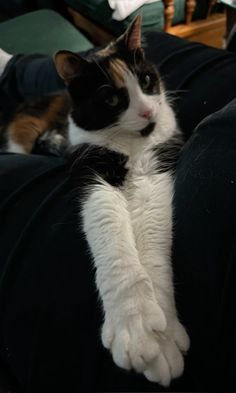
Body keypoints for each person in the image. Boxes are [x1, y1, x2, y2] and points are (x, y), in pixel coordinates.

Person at [0, 31, 236, 392]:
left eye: (146, 82)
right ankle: (12, 69)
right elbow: (104, 197)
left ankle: (11, 70)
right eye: (119, 98)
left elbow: (149, 198)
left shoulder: (150, 111)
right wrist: (122, 290)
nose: (146, 108)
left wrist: (157, 301)